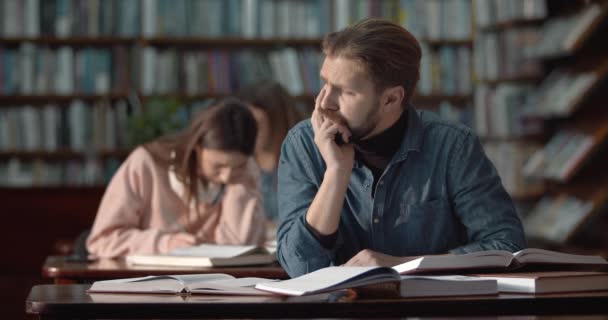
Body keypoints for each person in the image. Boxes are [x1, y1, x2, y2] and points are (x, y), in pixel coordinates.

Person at [276, 18, 526, 277]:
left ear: (391, 99)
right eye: (325, 83)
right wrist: (336, 174)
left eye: (346, 92)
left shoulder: (452, 146)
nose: (325, 102)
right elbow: (299, 266)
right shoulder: (303, 144)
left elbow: (506, 245)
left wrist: (402, 265)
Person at [87, 98, 266, 258]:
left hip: (214, 285)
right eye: (218, 166)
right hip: (150, 283)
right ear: (197, 147)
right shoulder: (146, 164)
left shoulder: (244, 175)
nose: (226, 176)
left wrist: (240, 189)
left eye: (238, 166)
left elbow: (238, 249)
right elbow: (103, 240)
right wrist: (166, 243)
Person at [238, 80, 304, 223]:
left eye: (255, 123)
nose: (246, 131)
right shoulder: (238, 164)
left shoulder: (304, 163)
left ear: (277, 120)